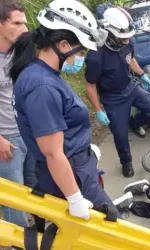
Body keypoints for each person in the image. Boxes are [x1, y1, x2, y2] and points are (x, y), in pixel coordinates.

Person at [8, 0, 119, 221]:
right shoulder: (41, 86)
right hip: (71, 176)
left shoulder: (44, 74)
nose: (82, 57)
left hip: (77, 167)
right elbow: (53, 153)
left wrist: (84, 151)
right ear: (65, 45)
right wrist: (75, 199)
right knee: (116, 237)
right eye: (82, 51)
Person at [84, 7, 150, 178]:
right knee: (120, 134)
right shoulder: (96, 56)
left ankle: (134, 123)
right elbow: (90, 85)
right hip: (112, 98)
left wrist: (141, 74)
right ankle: (126, 162)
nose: (128, 40)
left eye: (129, 36)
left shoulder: (128, 42)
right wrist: (98, 110)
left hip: (130, 87)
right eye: (123, 37)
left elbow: (130, 59)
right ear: (110, 34)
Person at [0, 0, 30, 228]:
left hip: (29, 133)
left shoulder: (21, 53)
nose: (25, 29)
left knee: (35, 193)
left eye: (25, 23)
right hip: (7, 143)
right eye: (18, 23)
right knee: (15, 204)